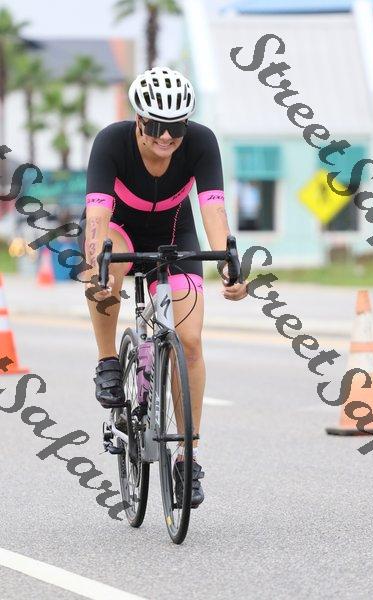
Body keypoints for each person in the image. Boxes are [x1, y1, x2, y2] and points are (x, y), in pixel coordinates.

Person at [79, 67, 248, 507]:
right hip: (119, 229)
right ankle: (108, 361)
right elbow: (97, 217)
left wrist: (229, 264)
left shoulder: (202, 142)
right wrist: (95, 263)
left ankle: (187, 457)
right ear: (138, 119)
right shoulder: (110, 142)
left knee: (190, 342)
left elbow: (213, 210)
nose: (167, 137)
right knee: (105, 271)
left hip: (174, 232)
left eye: (176, 127)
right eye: (156, 126)